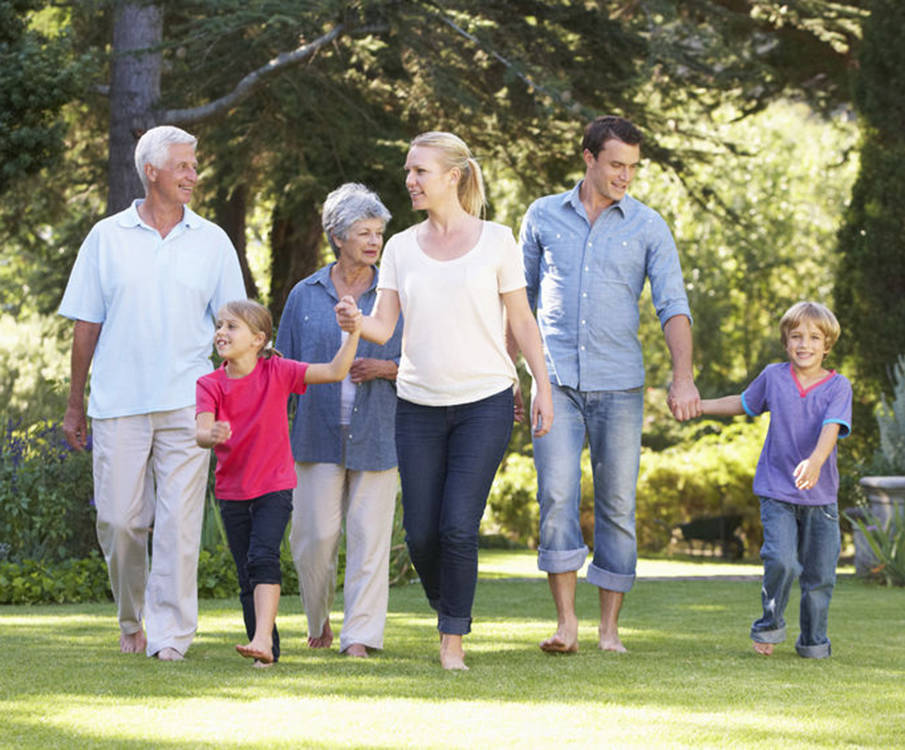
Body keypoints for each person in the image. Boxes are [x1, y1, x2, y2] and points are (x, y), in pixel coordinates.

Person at [336, 131, 553, 670]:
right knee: (421, 534)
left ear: (453, 176)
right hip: (418, 405)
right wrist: (355, 321)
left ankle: (451, 637)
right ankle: (449, 602)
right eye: (409, 172)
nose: (409, 181)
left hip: (485, 402)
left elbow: (522, 321)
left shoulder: (498, 240)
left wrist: (541, 385)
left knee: (458, 525)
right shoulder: (401, 248)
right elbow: (383, 328)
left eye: (419, 172)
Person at [59, 126, 246, 660]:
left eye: (195, 165)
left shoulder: (212, 241)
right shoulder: (106, 236)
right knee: (120, 521)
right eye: (184, 166)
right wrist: (75, 403)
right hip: (118, 402)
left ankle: (170, 638)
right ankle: (130, 618)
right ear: (152, 171)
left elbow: (234, 324)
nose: (194, 174)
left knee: (180, 526)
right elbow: (86, 325)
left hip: (190, 402)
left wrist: (234, 396)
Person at [516, 115, 700, 654]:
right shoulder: (543, 215)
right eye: (616, 164)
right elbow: (517, 301)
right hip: (554, 385)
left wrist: (683, 376)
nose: (625, 176)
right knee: (556, 496)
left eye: (633, 167)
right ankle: (566, 624)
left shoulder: (648, 226)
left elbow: (673, 305)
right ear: (589, 158)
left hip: (620, 386)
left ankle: (609, 630)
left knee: (617, 504)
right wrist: (517, 376)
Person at [196, 299, 362, 666]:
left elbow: (336, 371)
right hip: (232, 491)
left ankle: (261, 642)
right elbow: (201, 431)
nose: (221, 332)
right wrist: (213, 434)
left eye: (231, 327)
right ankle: (266, 648)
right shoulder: (210, 384)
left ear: (258, 339)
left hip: (274, 486)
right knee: (245, 575)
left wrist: (352, 334)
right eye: (219, 325)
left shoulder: (279, 371)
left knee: (262, 557)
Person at [275, 183, 403, 658]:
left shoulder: (395, 295)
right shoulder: (304, 296)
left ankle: (360, 638)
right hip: (314, 434)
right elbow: (281, 369)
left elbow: (425, 362)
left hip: (379, 432)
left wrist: (386, 368)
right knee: (314, 537)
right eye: (362, 232)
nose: (374, 242)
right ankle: (318, 618)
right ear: (336, 236)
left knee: (370, 538)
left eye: (378, 233)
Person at [698, 301, 851, 658]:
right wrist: (699, 406)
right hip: (777, 490)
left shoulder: (839, 386)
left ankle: (814, 642)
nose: (804, 344)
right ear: (786, 342)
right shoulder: (774, 376)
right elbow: (743, 403)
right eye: (796, 336)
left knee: (820, 576)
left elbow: (832, 428)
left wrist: (815, 461)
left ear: (826, 346)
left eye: (814, 337)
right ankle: (769, 626)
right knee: (781, 560)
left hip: (821, 498)